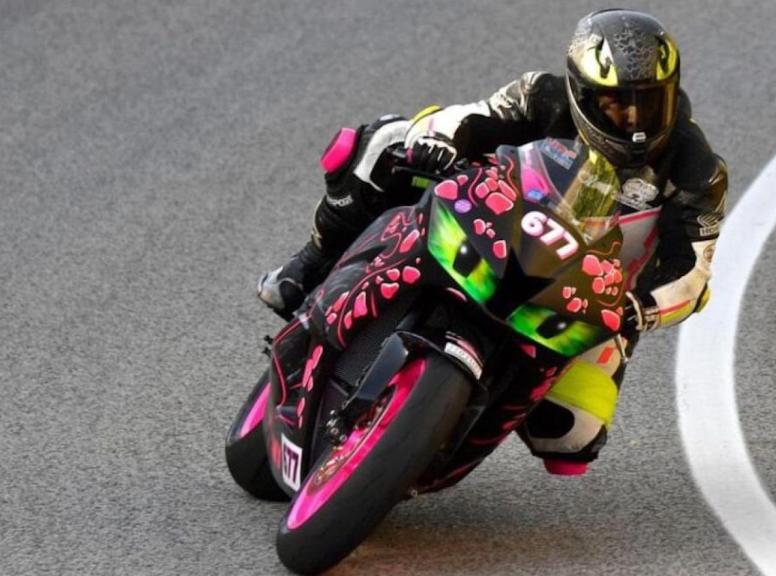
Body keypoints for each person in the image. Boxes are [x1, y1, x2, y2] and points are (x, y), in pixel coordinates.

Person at [257, 9, 727, 474]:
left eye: (649, 103)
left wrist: (638, 310)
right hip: (498, 225)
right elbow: (468, 119)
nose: (633, 120)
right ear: (581, 92)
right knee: (386, 144)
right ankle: (311, 263)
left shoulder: (697, 169)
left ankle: (435, 434)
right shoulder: (541, 97)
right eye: (615, 103)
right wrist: (435, 141)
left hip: (591, 299)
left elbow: (693, 273)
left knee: (570, 435)